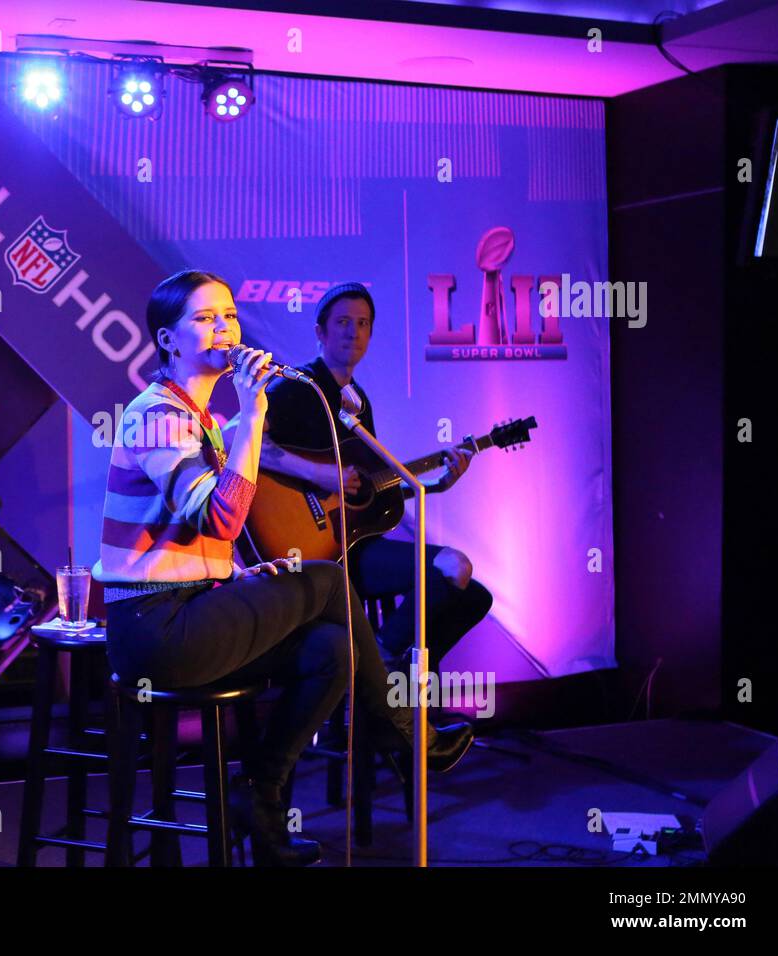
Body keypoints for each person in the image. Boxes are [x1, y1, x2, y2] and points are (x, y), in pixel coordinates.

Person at [93, 270, 473, 866]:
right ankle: (403, 730)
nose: (226, 328)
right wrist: (252, 413)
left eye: (230, 316)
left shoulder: (201, 419)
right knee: (327, 579)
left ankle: (259, 797)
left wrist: (235, 576)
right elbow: (218, 518)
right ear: (168, 341)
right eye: (206, 319)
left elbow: (203, 542)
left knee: (332, 650)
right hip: (153, 631)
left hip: (192, 609)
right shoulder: (156, 416)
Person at [260, 282, 494, 670]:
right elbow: (238, 438)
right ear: (320, 332)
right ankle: (380, 657)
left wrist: (436, 483)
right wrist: (319, 473)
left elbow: (365, 494)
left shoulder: (357, 399)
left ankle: (403, 700)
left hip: (355, 542)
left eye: (363, 323)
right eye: (343, 322)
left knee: (473, 598)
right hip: (318, 553)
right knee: (452, 565)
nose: (354, 331)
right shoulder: (297, 386)